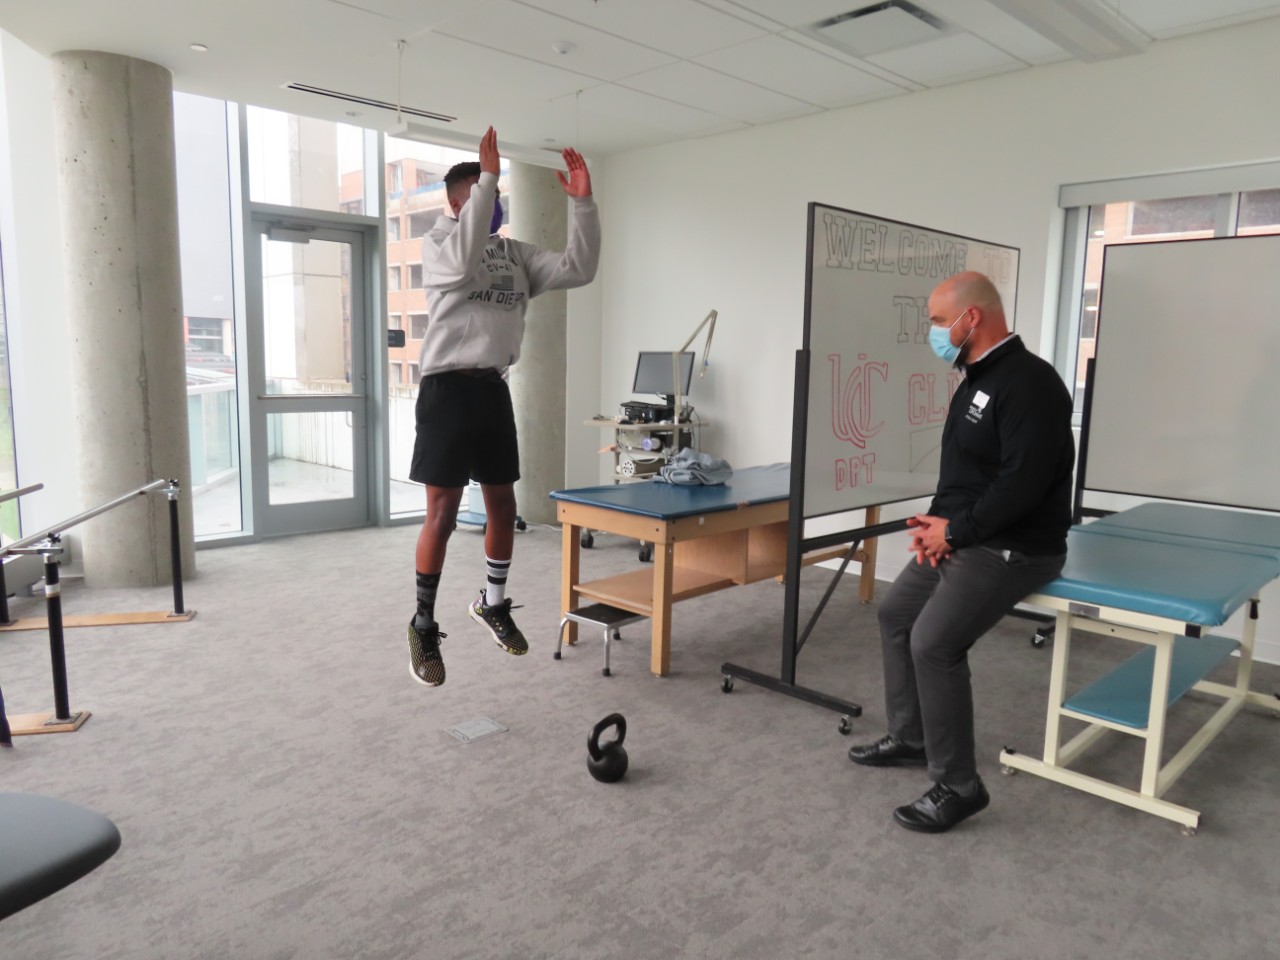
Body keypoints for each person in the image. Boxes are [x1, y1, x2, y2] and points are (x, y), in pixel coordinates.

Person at [848, 270, 1074, 833]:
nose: (934, 331)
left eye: (937, 320)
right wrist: (935, 524)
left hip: (1016, 547)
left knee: (934, 643)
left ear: (971, 318)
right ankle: (911, 735)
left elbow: (1021, 486)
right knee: (896, 614)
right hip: (971, 534)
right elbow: (969, 473)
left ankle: (959, 784)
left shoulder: (1030, 383)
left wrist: (954, 533)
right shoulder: (976, 376)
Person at [406, 126, 600, 687]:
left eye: (496, 200)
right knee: (441, 514)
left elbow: (579, 267)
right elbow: (463, 265)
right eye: (482, 197)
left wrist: (582, 203)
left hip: (491, 388)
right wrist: (489, 176)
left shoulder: (516, 257)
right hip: (445, 389)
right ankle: (422, 622)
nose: (492, 209)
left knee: (501, 504)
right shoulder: (439, 246)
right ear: (456, 203)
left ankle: (493, 602)